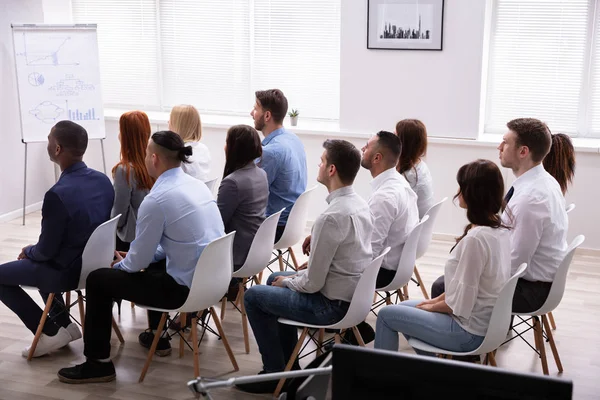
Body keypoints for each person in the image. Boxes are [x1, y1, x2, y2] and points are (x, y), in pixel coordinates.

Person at [57, 131, 225, 384]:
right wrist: (132, 258)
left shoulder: (156, 199)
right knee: (143, 266)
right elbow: (176, 244)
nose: (145, 158)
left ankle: (98, 362)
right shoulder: (197, 186)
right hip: (214, 282)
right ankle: (156, 336)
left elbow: (137, 263)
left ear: (155, 159)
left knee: (98, 279)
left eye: (147, 153)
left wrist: (121, 263)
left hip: (184, 291)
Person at [236, 140, 372, 394]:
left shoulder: (331, 217)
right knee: (275, 276)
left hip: (329, 306)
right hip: (351, 296)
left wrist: (289, 281)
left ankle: (274, 374)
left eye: (322, 161)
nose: (318, 165)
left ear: (331, 169)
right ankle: (290, 368)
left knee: (254, 296)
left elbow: (313, 284)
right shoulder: (360, 204)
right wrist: (288, 278)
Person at [431, 118, 568, 315]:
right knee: (456, 277)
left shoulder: (530, 199)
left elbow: (514, 263)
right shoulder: (542, 181)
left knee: (443, 286)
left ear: (523, 152)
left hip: (530, 290)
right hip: (537, 282)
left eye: (505, 142)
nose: (499, 147)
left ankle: (473, 338)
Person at [375, 159, 511, 357]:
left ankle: (376, 381)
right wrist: (431, 303)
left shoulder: (476, 240)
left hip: (468, 331)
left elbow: (461, 305)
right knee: (404, 308)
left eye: (461, 186)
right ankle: (430, 373)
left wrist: (431, 307)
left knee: (386, 315)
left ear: (472, 193)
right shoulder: (499, 230)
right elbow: (461, 290)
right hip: (483, 323)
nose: (458, 191)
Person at [0, 121, 114, 358]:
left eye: (50, 138)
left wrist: (29, 251)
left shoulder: (56, 195)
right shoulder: (103, 181)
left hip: (66, 271)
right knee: (39, 261)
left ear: (58, 148)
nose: (48, 143)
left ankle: (49, 332)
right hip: (96, 266)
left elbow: (45, 252)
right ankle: (66, 326)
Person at [361, 131, 419, 288]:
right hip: (398, 266)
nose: (362, 149)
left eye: (366, 147)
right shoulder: (399, 182)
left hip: (382, 272)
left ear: (377, 158)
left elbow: (369, 252)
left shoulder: (384, 198)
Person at [251, 89, 307, 242]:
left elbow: (250, 193)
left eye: (256, 109)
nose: (251, 113)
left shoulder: (271, 152)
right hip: (294, 223)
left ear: (267, 115)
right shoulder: (293, 139)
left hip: (275, 227)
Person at [217, 125, 268, 271]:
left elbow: (217, 223)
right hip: (255, 248)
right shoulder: (261, 174)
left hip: (235, 254)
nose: (225, 147)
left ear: (234, 148)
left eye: (227, 143)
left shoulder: (232, 182)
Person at [111, 111, 154, 252]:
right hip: (151, 234)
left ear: (125, 136)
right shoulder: (155, 163)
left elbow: (119, 216)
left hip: (129, 240)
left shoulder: (124, 170)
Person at [395, 119, 434, 218]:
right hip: (416, 223)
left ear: (403, 143)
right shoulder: (420, 165)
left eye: (394, 136)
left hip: (411, 226)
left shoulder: (409, 176)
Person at [169, 104, 211, 181]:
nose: (168, 122)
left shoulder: (178, 154)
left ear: (178, 125)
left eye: (171, 120)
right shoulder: (203, 148)